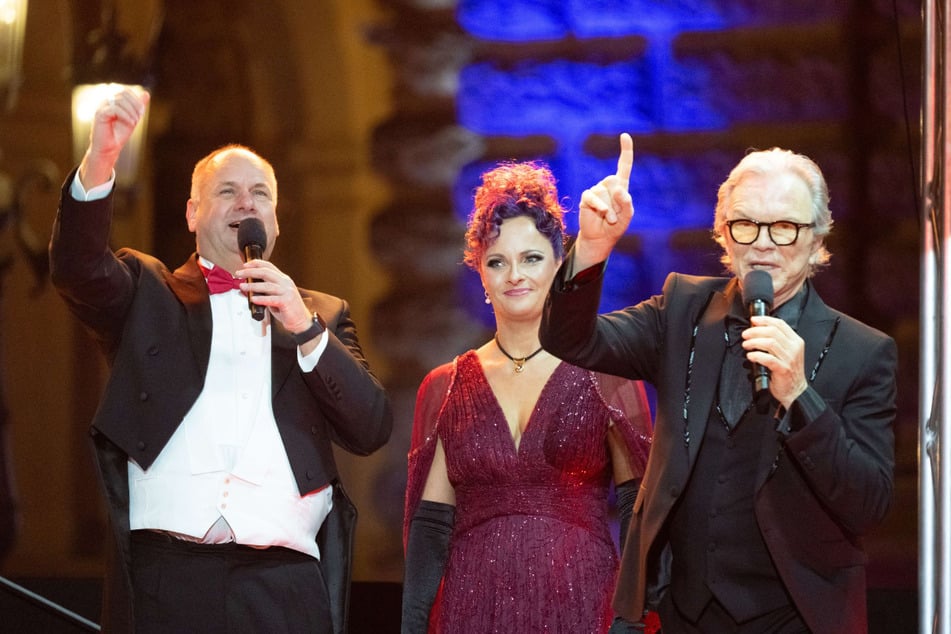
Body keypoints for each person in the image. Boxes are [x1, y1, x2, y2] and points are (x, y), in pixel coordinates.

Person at [49, 86, 393, 634]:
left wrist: (304, 327)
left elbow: (371, 427)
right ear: (192, 212)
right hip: (169, 576)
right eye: (227, 191)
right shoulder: (149, 293)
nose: (246, 203)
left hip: (285, 584)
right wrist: (101, 159)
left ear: (275, 220)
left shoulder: (322, 314)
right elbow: (78, 270)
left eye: (260, 193)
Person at [539, 133, 897, 633]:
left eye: (785, 227)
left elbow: (868, 505)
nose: (764, 242)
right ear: (724, 234)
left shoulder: (862, 351)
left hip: (796, 615)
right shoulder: (682, 309)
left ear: (817, 238)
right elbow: (571, 340)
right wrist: (593, 249)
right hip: (686, 611)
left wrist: (801, 396)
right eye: (746, 224)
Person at [401, 160, 653, 633]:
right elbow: (431, 528)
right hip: (472, 613)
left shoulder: (608, 373)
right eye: (497, 262)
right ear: (480, 274)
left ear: (559, 264)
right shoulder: (446, 385)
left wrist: (630, 621)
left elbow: (639, 511)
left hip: (584, 608)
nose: (514, 274)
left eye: (532, 258)